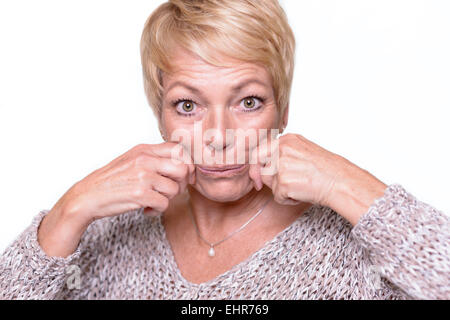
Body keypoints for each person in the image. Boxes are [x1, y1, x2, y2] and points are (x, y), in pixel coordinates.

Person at [1, 0, 449, 299]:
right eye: (188, 105)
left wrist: (345, 184)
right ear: (160, 114)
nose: (218, 134)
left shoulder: (351, 249)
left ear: (283, 110)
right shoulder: (108, 237)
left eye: (248, 101)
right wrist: (69, 210)